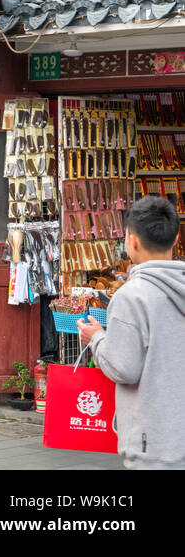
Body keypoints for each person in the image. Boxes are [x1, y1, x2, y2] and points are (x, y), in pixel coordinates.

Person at [78, 195, 185, 469]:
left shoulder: (132, 297)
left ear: (131, 240)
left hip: (155, 443)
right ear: (175, 239)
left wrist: (97, 339)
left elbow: (124, 368)